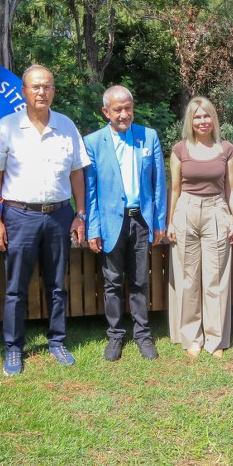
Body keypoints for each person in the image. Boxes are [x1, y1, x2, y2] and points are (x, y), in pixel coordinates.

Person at [0, 65, 91, 375]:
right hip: (19, 216)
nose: (41, 92)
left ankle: (57, 341)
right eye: (35, 87)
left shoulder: (66, 125)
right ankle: (14, 347)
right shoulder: (7, 126)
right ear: (24, 92)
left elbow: (76, 172)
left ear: (54, 91)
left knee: (58, 285)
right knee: (16, 287)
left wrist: (80, 214)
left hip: (59, 215)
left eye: (47, 86)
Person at [84, 85, 168, 362]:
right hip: (110, 223)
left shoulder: (149, 136)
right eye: (117, 109)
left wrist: (159, 223)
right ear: (106, 111)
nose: (124, 114)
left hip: (141, 221)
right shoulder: (93, 142)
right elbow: (91, 190)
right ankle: (115, 335)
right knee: (111, 282)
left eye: (128, 108)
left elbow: (158, 185)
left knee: (139, 281)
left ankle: (143, 335)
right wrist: (92, 228)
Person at [167, 96, 233, 357]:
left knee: (215, 280)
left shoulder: (226, 149)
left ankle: (215, 339)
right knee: (189, 279)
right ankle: (192, 338)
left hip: (217, 211)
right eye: (197, 116)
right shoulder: (180, 150)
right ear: (191, 121)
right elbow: (174, 189)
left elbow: (232, 189)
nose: (202, 121)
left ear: (214, 119)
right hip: (186, 210)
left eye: (207, 115)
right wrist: (170, 221)